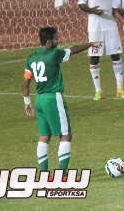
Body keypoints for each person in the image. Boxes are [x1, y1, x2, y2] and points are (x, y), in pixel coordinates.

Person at [22, 26, 96, 172]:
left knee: (44, 136)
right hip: (53, 99)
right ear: (49, 42)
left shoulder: (31, 58)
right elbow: (73, 50)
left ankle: (43, 173)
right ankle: (62, 174)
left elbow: (25, 83)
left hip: (40, 100)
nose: (58, 40)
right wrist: (90, 44)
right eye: (56, 38)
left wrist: (27, 102)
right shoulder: (55, 54)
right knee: (65, 135)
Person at [77, 0, 124, 100]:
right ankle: (98, 91)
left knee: (116, 55)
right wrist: (93, 11)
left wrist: (120, 10)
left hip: (110, 24)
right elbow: (81, 4)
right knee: (94, 57)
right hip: (95, 27)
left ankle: (120, 89)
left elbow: (117, 2)